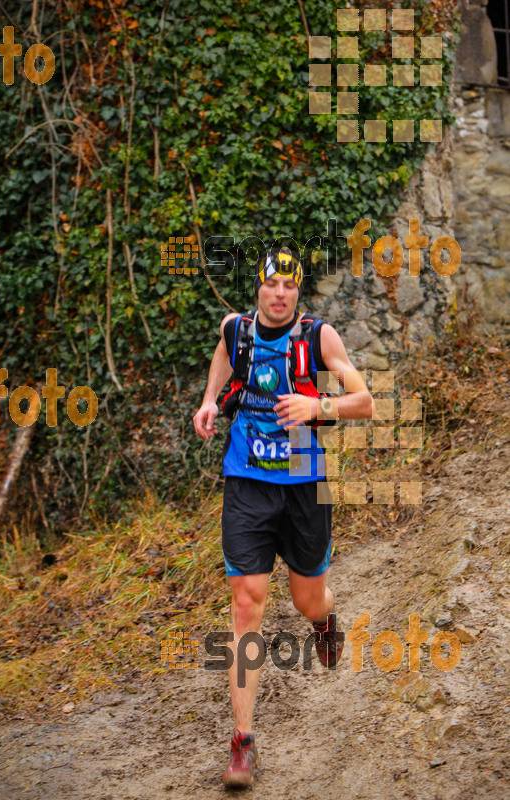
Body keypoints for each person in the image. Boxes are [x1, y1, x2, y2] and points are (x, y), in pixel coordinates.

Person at [193, 248, 375, 788]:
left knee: (306, 598)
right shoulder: (236, 331)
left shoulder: (320, 337)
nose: (279, 294)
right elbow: (223, 365)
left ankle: (324, 622)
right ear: (258, 287)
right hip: (247, 480)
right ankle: (242, 743)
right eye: (271, 285)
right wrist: (208, 404)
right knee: (247, 600)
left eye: (289, 287)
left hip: (303, 481)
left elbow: (364, 401)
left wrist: (316, 408)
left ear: (298, 292)